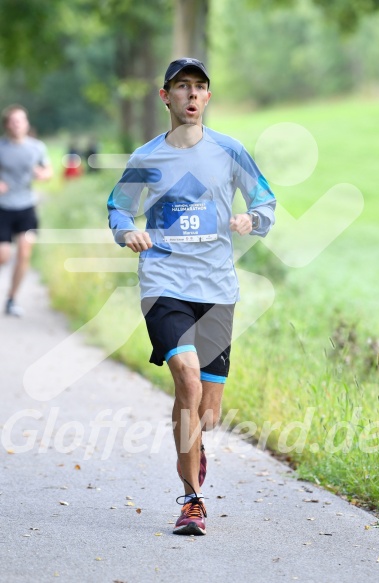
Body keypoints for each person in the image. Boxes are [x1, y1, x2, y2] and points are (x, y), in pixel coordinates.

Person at [107, 58, 276, 536]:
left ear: (208, 98)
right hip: (164, 282)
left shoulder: (230, 151)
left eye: (200, 88)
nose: (192, 96)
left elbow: (264, 200)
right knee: (185, 376)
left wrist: (251, 220)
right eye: (182, 88)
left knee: (208, 411)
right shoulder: (147, 158)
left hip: (217, 288)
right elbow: (118, 209)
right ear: (166, 97)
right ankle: (192, 500)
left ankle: (193, 450)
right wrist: (128, 234)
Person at [0, 104, 52, 316]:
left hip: (26, 207)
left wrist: (43, 174)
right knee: (3, 256)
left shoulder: (36, 147)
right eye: (13, 121)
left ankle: (11, 299)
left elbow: (48, 170)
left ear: (26, 123)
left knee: (24, 252)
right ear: (7, 125)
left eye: (20, 120)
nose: (17, 124)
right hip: (3, 207)